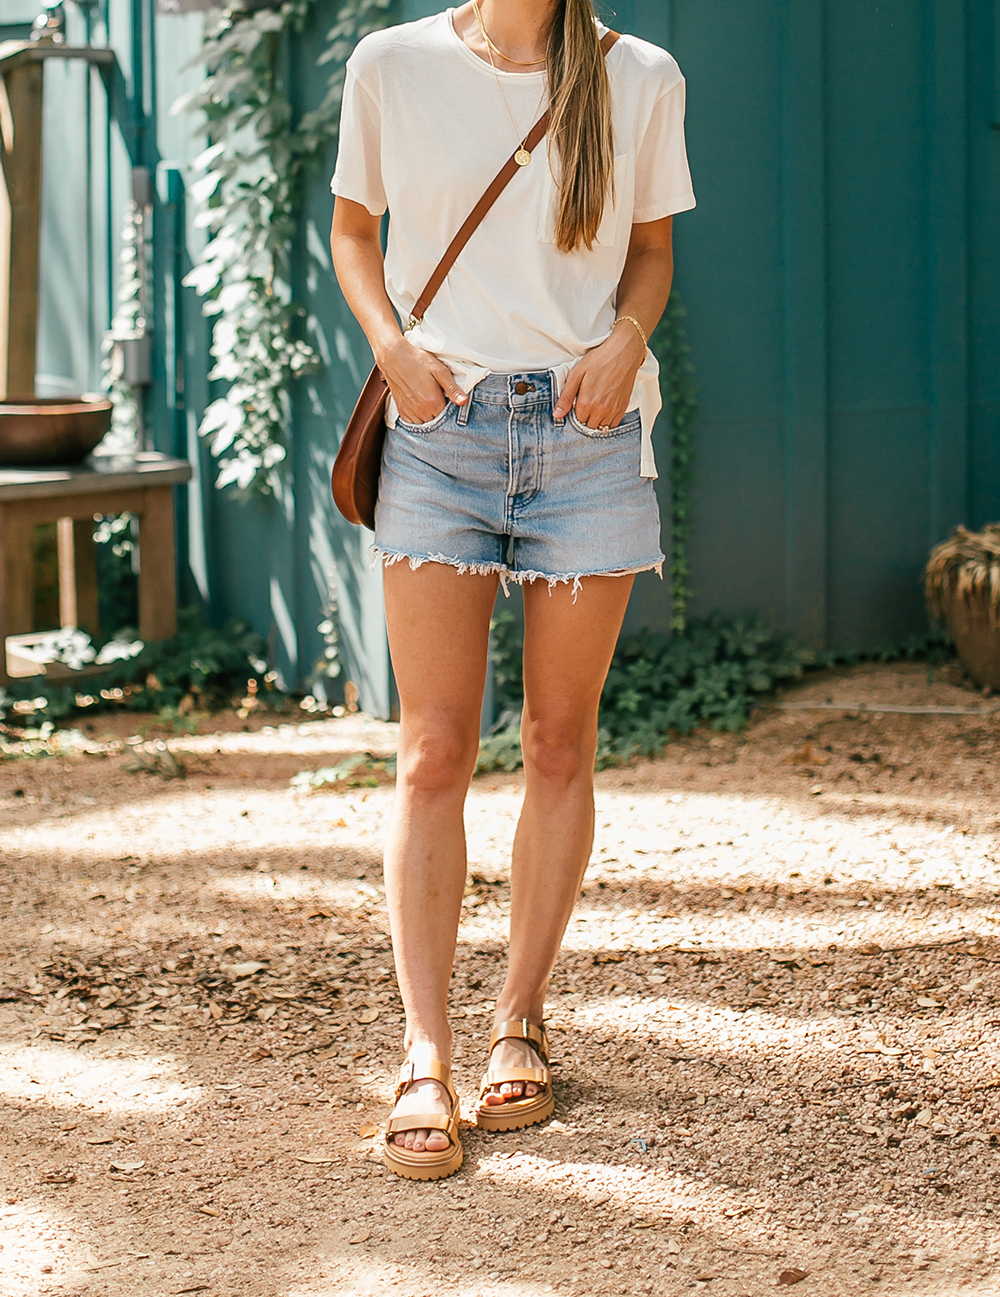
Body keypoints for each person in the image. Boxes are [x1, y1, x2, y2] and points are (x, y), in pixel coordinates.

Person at [329, 0, 695, 1180]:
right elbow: (350, 229)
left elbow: (650, 249)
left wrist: (625, 342)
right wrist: (391, 347)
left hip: (586, 434)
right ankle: (424, 1048)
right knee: (432, 752)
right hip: (439, 431)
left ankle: (516, 1019)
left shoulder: (636, 74)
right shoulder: (392, 63)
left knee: (555, 743)